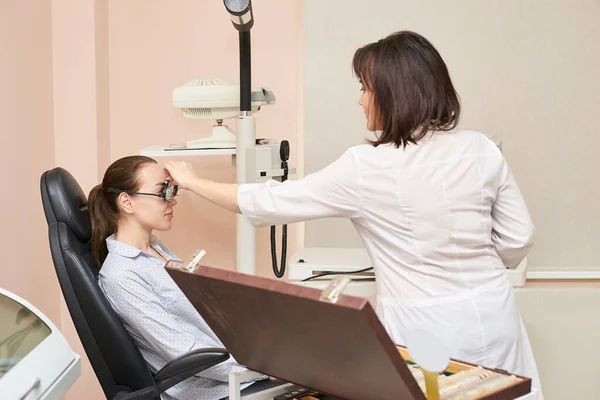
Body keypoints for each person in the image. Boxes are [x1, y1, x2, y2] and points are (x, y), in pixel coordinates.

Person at [164, 30, 544, 397]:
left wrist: (193, 181)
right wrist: (477, 271)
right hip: (495, 314)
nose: (360, 100)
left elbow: (271, 201)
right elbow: (518, 237)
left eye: (365, 88)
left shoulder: (367, 167)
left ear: (394, 94)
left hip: (428, 330)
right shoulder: (480, 148)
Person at [88, 155, 276, 400]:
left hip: (232, 370)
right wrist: (260, 371)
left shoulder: (156, 249)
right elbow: (181, 350)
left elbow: (196, 317)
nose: (173, 201)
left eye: (171, 190)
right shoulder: (121, 274)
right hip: (212, 390)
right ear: (127, 202)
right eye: (162, 192)